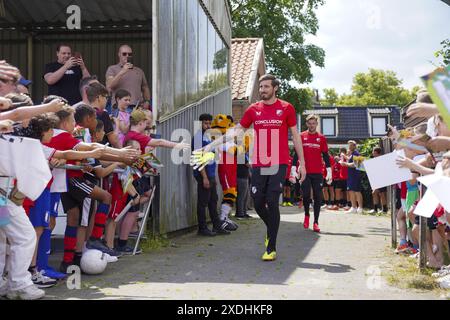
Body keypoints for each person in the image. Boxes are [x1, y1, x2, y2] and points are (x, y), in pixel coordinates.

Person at [193, 74, 307, 261]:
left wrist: (301, 162)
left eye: (266, 87)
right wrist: (210, 145)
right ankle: (272, 227)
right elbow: (235, 132)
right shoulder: (253, 110)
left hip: (279, 161)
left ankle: (271, 246)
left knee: (271, 199)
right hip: (259, 162)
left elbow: (295, 136)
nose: (262, 90)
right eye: (260, 87)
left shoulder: (286, 108)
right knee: (258, 200)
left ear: (275, 88)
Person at [192, 114, 231, 236]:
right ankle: (202, 228)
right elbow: (198, 158)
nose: (208, 126)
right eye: (205, 123)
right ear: (201, 124)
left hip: (211, 173)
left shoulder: (208, 136)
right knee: (203, 202)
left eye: (209, 123)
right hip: (203, 173)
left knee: (213, 200)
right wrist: (204, 177)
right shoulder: (198, 137)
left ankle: (216, 226)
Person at [298, 114, 332, 233]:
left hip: (317, 172)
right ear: (307, 124)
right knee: (306, 195)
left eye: (314, 123)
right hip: (305, 172)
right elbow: (296, 153)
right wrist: (293, 168)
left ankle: (316, 222)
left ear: (317, 124)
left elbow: (326, 155)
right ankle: (307, 215)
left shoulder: (321, 138)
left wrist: (329, 170)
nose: (312, 126)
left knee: (318, 196)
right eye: (310, 123)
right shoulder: (301, 136)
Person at [106, 45, 151, 110]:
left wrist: (147, 101)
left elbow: (145, 87)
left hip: (137, 107)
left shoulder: (139, 71)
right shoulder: (112, 69)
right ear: (119, 54)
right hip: (119, 107)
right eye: (124, 54)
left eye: (129, 54)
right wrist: (122, 72)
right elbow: (110, 86)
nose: (127, 56)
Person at [86, 82, 120, 148]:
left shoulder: (84, 113)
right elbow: (114, 140)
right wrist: (117, 124)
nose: (106, 100)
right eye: (106, 97)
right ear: (99, 97)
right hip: (104, 152)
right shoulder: (103, 114)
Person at [340, 141, 364, 214]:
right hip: (350, 175)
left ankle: (360, 207)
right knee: (351, 191)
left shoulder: (357, 153)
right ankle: (353, 207)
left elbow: (356, 164)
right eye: (348, 146)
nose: (349, 147)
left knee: (357, 191)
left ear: (354, 146)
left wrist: (345, 164)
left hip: (355, 175)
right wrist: (344, 157)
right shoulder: (352, 154)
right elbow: (350, 160)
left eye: (350, 146)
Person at [369, 147, 388, 214]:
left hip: (382, 179)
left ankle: (384, 210)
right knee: (375, 193)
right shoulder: (373, 159)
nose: (372, 153)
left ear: (377, 152)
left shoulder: (382, 159)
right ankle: (376, 209)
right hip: (376, 179)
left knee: (382, 194)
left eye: (373, 152)